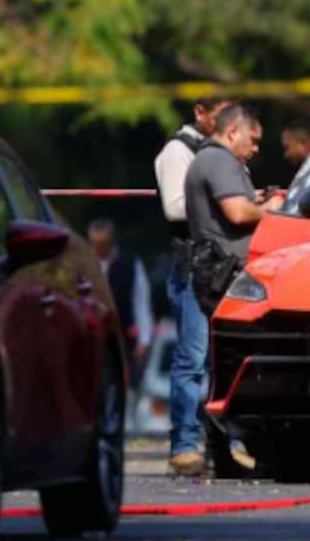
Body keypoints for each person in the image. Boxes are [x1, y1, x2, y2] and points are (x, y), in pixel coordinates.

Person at [173, 103, 285, 476]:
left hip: (214, 270)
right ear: (233, 131)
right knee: (226, 363)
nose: (255, 149)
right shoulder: (219, 160)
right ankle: (213, 446)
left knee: (219, 365)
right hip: (222, 274)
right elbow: (237, 213)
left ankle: (222, 452)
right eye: (252, 141)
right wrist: (271, 207)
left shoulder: (211, 160)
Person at [154, 96, 231, 477]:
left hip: (221, 267)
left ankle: (224, 445)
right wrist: (226, 202)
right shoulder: (177, 151)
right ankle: (185, 445)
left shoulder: (216, 151)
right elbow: (173, 207)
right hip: (193, 267)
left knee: (220, 360)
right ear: (200, 112)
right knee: (191, 359)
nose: (226, 122)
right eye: (220, 115)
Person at [87, 219, 154, 405]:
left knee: (125, 386)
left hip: (123, 337)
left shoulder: (131, 265)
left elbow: (141, 304)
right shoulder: (84, 267)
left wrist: (144, 340)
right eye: (95, 244)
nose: (99, 249)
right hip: (90, 336)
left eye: (103, 244)